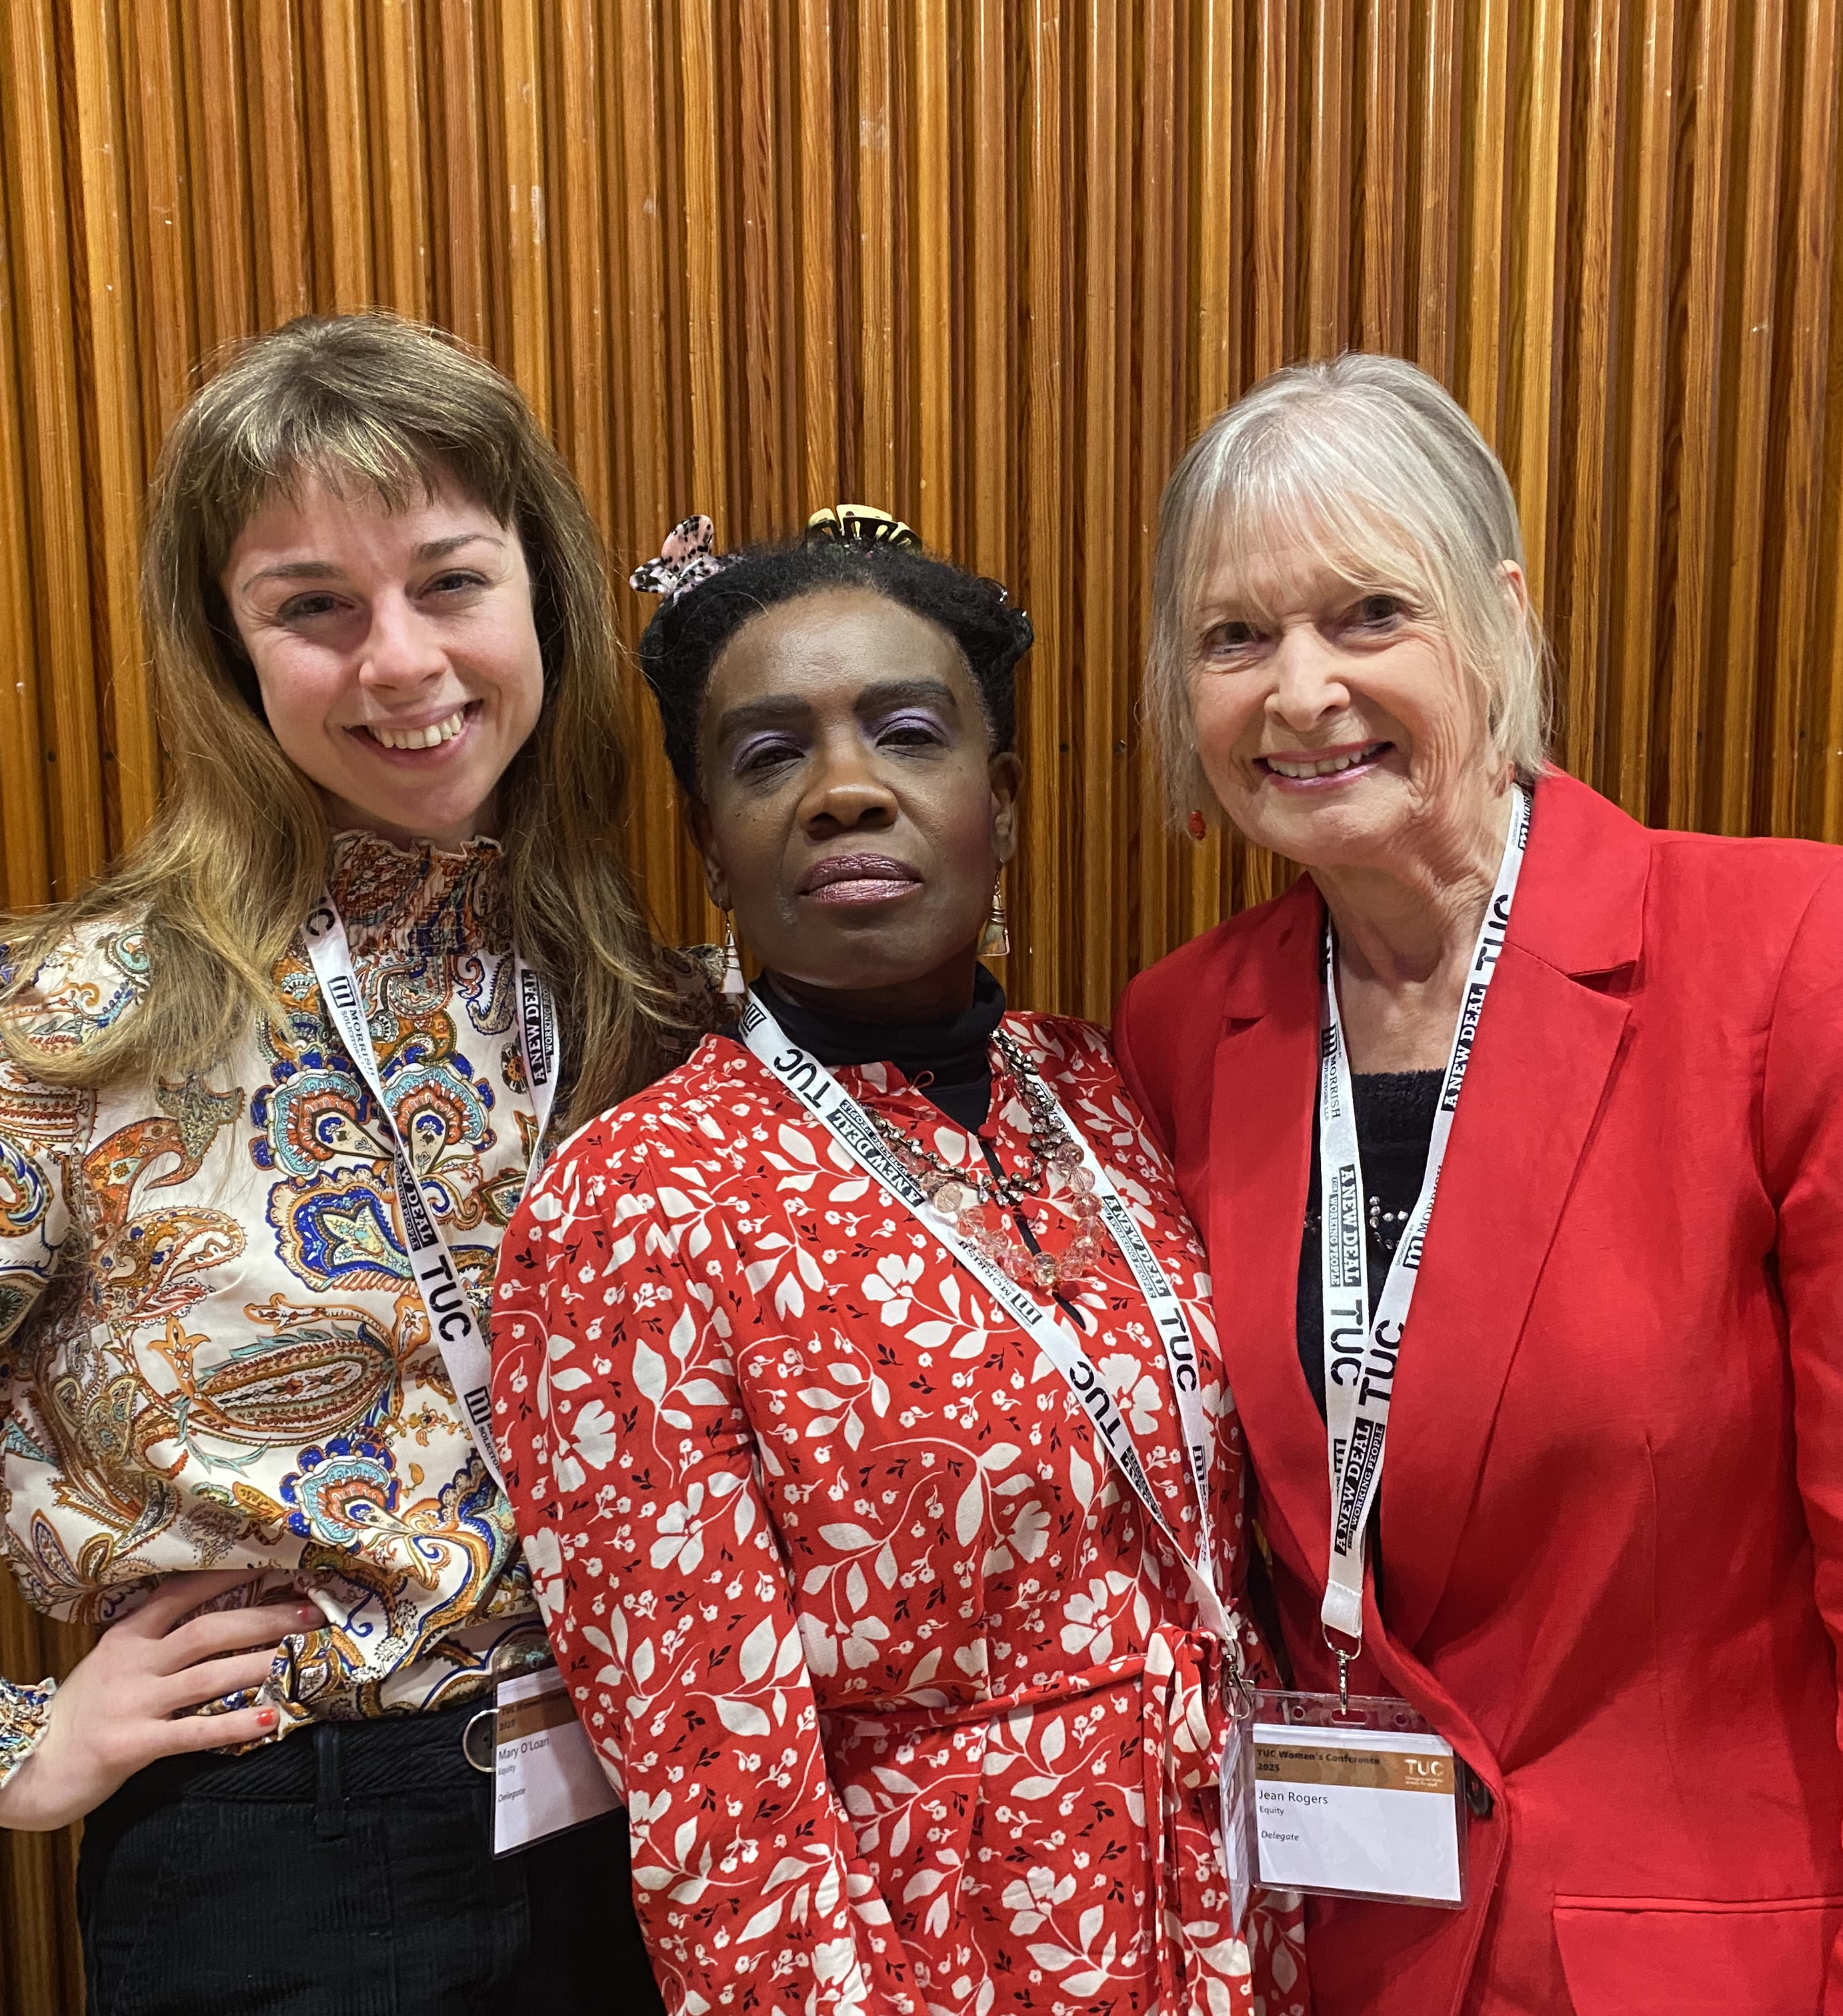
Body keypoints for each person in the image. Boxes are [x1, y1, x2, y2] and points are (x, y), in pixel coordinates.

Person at [0, 311, 688, 2015]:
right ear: (228, 655)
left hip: (651, 1828)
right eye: (314, 606)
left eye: (450, 581)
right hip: (304, 1863)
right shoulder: (93, 1032)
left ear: (544, 593)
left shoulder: (636, 1004)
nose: (399, 660)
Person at [1112, 353, 1843, 2015]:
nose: (1298, 692)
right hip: (1337, 1963)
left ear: (1500, 616)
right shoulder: (1181, 1030)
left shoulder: (1804, 958)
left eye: (1368, 614)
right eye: (1234, 637)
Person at [489, 507, 1302, 2015]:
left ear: (999, 805)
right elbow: (713, 1794)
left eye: (908, 734)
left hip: (1240, 1910)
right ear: (709, 843)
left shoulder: (1108, 1092)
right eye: (769, 755)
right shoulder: (634, 1207)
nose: (845, 792)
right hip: (941, 1954)